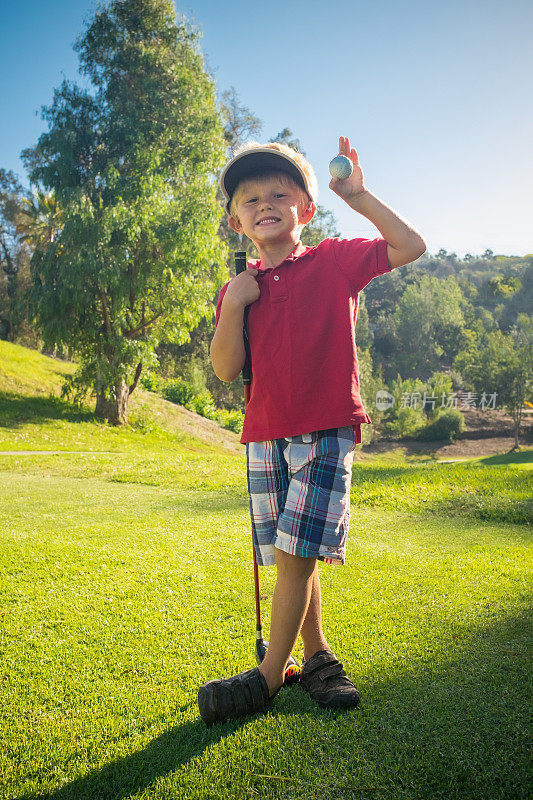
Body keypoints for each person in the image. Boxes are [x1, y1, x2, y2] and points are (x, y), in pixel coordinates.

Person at [198, 137, 426, 725]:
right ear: (235, 220)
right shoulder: (238, 290)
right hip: (264, 436)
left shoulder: (334, 262)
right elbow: (225, 371)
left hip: (325, 431)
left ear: (306, 207)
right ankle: (318, 655)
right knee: (291, 554)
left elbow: (411, 245)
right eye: (250, 199)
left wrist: (359, 196)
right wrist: (233, 308)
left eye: (280, 193)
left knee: (296, 552)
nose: (265, 204)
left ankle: (270, 677)